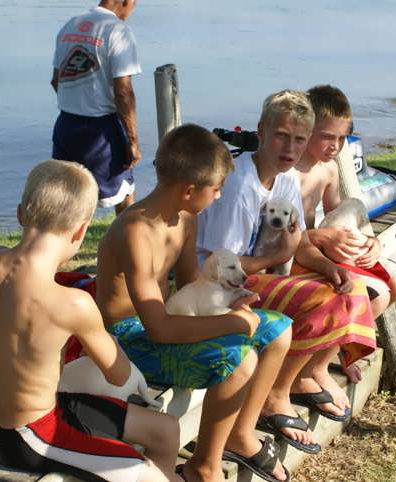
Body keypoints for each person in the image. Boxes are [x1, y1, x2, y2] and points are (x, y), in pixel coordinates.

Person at [0, 160, 181, 482]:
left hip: (46, 411)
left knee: (165, 430)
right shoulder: (73, 304)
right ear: (81, 230)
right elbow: (118, 374)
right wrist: (99, 338)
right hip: (34, 436)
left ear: (20, 214)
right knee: (146, 474)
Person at [97, 124, 294, 482]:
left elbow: (193, 287)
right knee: (241, 359)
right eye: (216, 189)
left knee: (279, 330)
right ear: (189, 190)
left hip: (170, 318)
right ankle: (204, 466)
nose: (218, 197)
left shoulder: (186, 217)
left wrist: (231, 302)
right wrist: (232, 323)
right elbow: (158, 328)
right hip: (130, 340)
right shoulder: (135, 232)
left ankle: (239, 434)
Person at [197, 90, 376, 443]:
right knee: (319, 301)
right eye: (281, 136)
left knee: (351, 288)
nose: (290, 148)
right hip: (216, 286)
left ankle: (301, 377)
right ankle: (274, 396)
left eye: (299, 139)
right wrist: (278, 258)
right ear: (261, 131)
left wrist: (329, 268)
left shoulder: (286, 179)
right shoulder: (240, 186)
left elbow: (301, 244)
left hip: (255, 274)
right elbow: (221, 267)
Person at [295, 84, 396, 383]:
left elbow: (337, 218)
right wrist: (320, 238)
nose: (335, 146)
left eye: (342, 138)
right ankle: (314, 368)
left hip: (319, 251)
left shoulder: (329, 169)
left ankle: (341, 349)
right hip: (296, 257)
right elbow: (279, 235)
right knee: (376, 294)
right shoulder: (289, 172)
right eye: (327, 137)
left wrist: (372, 242)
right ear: (305, 128)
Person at [50, 0, 141, 214]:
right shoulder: (118, 31)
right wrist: (132, 141)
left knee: (68, 198)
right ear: (126, 1)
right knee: (124, 193)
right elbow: (123, 92)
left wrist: (79, 103)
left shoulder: (70, 25)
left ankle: (66, 237)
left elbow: (56, 81)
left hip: (65, 125)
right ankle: (128, 235)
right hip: (101, 130)